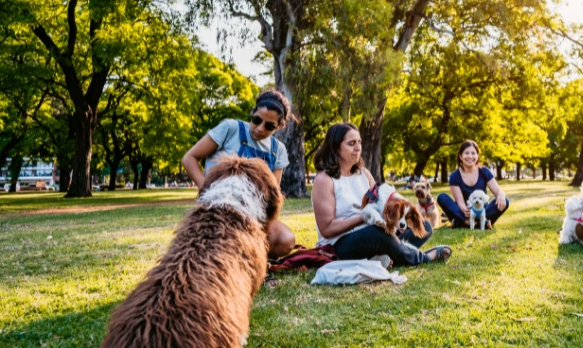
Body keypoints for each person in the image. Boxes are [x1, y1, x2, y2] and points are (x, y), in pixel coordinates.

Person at [312, 122, 452, 266]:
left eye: (359, 142)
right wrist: (363, 217)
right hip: (340, 244)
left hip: (372, 233)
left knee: (423, 225)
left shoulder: (364, 174)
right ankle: (421, 258)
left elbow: (380, 203)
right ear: (335, 147)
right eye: (351, 143)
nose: (358, 148)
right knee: (379, 234)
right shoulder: (324, 180)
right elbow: (327, 229)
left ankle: (384, 257)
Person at [182, 89, 296, 258]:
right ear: (252, 113)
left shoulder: (278, 150)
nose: (260, 128)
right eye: (256, 120)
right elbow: (189, 158)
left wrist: (258, 224)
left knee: (285, 240)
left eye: (269, 126)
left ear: (279, 126)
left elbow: (272, 195)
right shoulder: (230, 128)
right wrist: (207, 189)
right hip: (219, 207)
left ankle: (250, 258)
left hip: (252, 214)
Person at [437, 140, 509, 229]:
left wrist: (501, 195)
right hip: (464, 213)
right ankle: (470, 222)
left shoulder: (484, 171)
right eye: (466, 153)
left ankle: (461, 223)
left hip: (482, 211)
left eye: (473, 153)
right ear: (460, 156)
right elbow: (460, 202)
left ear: (477, 156)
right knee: (442, 197)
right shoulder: (454, 176)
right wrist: (464, 209)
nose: (470, 156)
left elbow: (498, 191)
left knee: (505, 201)